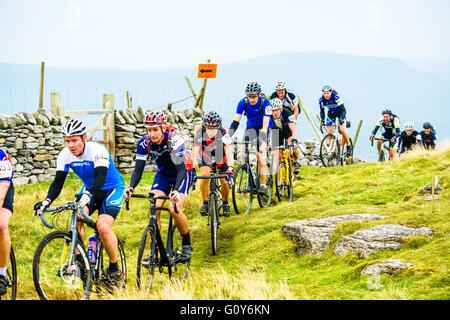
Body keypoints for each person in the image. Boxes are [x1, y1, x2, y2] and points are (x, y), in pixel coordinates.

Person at [34, 119, 125, 286]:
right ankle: (80, 261)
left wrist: (88, 194)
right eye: (67, 141)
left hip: (112, 188)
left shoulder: (97, 150)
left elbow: (100, 178)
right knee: (76, 219)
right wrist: (46, 201)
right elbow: (58, 183)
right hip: (90, 188)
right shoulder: (64, 155)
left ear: (84, 138)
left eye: (74, 140)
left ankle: (114, 268)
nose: (70, 145)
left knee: (103, 227)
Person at [124, 111, 195, 262]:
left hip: (182, 172)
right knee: (153, 207)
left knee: (174, 208)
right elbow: (138, 170)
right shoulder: (144, 144)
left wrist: (175, 190)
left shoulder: (174, 140)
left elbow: (181, 169)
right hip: (163, 174)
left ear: (163, 127)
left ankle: (187, 243)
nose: (152, 134)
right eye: (149, 130)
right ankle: (155, 251)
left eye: (155, 129)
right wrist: (130, 188)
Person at [228, 81, 272, 195]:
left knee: (260, 155)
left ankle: (263, 185)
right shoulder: (243, 103)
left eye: (254, 97)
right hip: (250, 128)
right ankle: (250, 173)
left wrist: (261, 139)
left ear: (259, 95)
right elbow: (235, 122)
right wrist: (228, 136)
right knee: (243, 154)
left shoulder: (266, 103)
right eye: (250, 97)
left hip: (263, 129)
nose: (252, 99)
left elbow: (266, 125)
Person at [192, 111, 234, 217]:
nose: (211, 131)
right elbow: (194, 153)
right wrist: (191, 169)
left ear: (218, 127)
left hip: (221, 155)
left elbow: (229, 152)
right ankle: (205, 203)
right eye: (208, 128)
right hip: (206, 156)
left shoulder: (224, 133)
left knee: (224, 181)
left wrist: (230, 167)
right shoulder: (199, 134)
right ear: (204, 126)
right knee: (205, 175)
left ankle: (225, 203)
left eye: (214, 128)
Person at [260, 98, 301, 175]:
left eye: (277, 110)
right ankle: (279, 182)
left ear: (281, 109)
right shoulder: (268, 116)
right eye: (273, 110)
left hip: (287, 131)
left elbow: (293, 128)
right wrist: (265, 143)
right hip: (276, 132)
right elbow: (266, 130)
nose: (275, 113)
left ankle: (296, 162)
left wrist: (294, 140)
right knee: (277, 156)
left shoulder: (288, 113)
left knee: (293, 148)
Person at [319, 85, 352, 157]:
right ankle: (332, 150)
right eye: (324, 93)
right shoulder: (321, 100)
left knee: (342, 130)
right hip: (331, 114)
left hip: (340, 113)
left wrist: (341, 119)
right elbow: (322, 111)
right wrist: (322, 120)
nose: (326, 95)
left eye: (328, 93)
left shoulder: (336, 97)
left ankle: (349, 146)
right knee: (330, 132)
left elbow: (343, 110)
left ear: (331, 92)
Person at [0, 148, 14, 296]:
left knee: (1, 225)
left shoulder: (2, 157)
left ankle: (1, 275)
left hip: (3, 190)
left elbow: (1, 196)